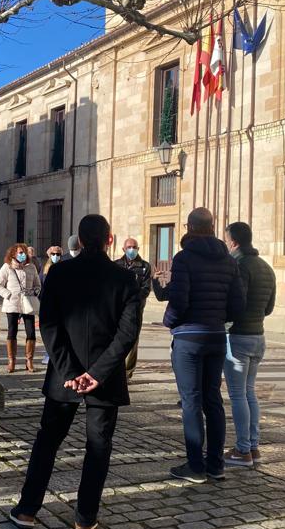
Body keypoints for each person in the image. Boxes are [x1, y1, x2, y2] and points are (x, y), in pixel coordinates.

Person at [10, 215, 140, 529]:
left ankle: (27, 508)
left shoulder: (59, 273)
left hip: (63, 376)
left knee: (48, 441)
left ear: (79, 241)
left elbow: (49, 325)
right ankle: (85, 516)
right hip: (104, 377)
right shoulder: (125, 279)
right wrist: (96, 374)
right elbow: (127, 334)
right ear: (110, 239)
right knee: (98, 446)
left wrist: (69, 371)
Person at [160, 208, 245, 485]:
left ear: (189, 227)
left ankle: (195, 465)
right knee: (213, 400)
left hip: (189, 338)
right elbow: (237, 305)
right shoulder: (229, 261)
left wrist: (169, 322)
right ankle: (216, 465)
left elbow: (179, 300)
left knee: (191, 401)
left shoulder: (184, 258)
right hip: (217, 336)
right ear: (212, 227)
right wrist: (217, 318)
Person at [223, 222, 276, 468]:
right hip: (258, 335)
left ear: (233, 242)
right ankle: (253, 446)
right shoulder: (267, 267)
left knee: (237, 394)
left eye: (226, 241)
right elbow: (269, 308)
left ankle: (242, 450)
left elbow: (237, 302)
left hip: (239, 336)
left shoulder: (240, 265)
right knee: (249, 392)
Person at [0, 243, 42, 373]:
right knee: (12, 332)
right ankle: (12, 361)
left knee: (31, 332)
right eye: (20, 252)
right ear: (13, 254)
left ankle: (29, 361)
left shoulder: (31, 267)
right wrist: (8, 295)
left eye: (24, 252)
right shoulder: (7, 267)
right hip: (12, 304)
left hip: (28, 304)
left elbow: (38, 284)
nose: (23, 255)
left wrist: (36, 291)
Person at [115, 238, 153, 381]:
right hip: (118, 309)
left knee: (133, 340)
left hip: (135, 309)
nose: (132, 249)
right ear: (123, 249)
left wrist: (132, 300)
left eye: (134, 247)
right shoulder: (116, 265)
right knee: (115, 339)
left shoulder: (145, 266)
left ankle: (127, 373)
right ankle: (115, 370)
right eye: (129, 247)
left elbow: (146, 288)